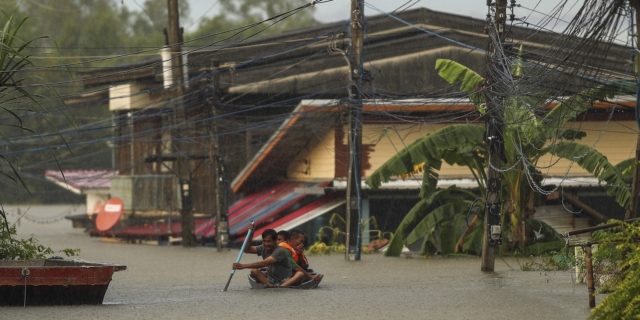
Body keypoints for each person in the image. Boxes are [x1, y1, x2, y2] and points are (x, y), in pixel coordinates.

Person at [232, 228, 304, 287]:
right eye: (264, 241)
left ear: (275, 241)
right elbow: (247, 249)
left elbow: (264, 263)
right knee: (254, 271)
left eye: (269, 241)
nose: (266, 244)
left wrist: (243, 266)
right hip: (271, 280)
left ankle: (281, 287)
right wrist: (251, 234)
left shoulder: (280, 250)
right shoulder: (263, 247)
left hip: (286, 280)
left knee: (300, 274)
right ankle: (271, 286)